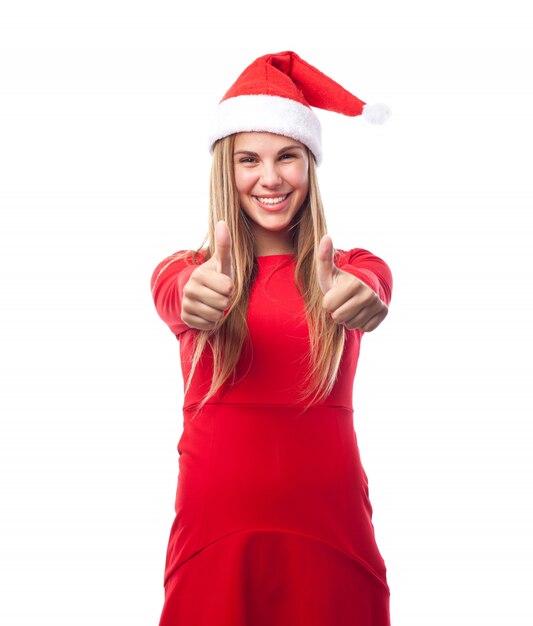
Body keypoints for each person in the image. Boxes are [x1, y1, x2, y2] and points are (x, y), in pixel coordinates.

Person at [150, 51, 393, 626]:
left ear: (310, 166)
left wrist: (364, 294)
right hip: (214, 529)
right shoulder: (184, 270)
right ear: (225, 171)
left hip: (330, 526)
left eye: (288, 157)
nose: (270, 177)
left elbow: (373, 282)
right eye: (248, 160)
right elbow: (175, 292)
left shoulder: (351, 267)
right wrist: (192, 293)